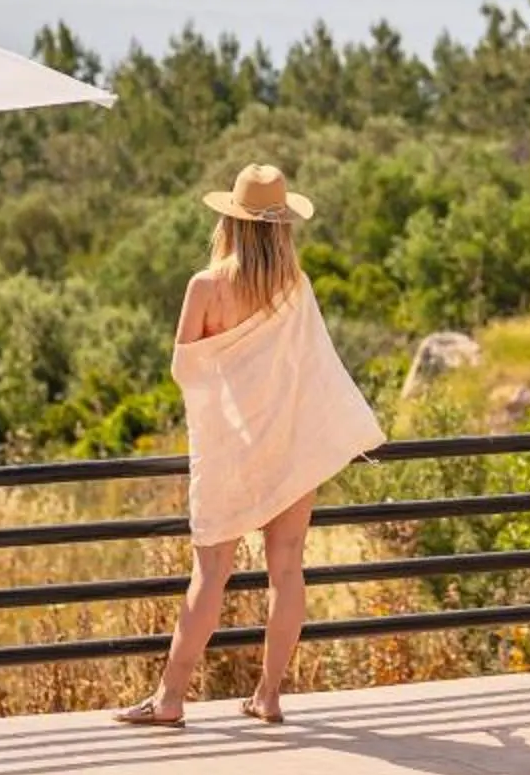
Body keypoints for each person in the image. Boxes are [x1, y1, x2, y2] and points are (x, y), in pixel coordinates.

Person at [116, 162, 385, 726]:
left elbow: (184, 368)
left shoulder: (207, 286)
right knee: (287, 569)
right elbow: (311, 369)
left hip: (230, 451)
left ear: (231, 222)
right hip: (290, 448)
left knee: (210, 574)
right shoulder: (296, 288)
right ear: (282, 225)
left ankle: (170, 698)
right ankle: (268, 694)